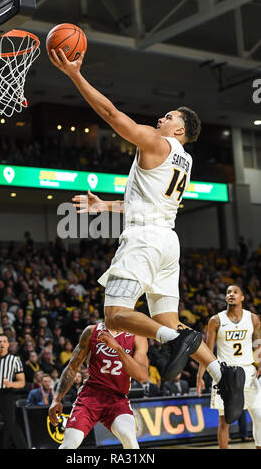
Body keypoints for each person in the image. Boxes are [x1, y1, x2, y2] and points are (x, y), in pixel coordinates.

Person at [49, 47, 245, 423]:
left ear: (179, 131)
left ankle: (175, 343)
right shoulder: (183, 160)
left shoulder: (158, 143)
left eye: (168, 116)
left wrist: (74, 75)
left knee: (115, 316)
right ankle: (224, 373)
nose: (161, 117)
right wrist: (105, 207)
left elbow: (111, 115)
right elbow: (148, 204)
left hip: (143, 241)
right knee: (169, 320)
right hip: (166, 240)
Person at [48, 322, 148, 449]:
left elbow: (142, 376)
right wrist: (57, 399)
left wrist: (118, 348)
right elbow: (72, 367)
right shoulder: (92, 331)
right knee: (69, 444)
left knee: (130, 439)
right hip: (90, 396)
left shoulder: (137, 336)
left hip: (117, 398)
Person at [196, 284, 261, 448]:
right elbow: (207, 350)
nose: (231, 294)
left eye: (235, 292)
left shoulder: (252, 318)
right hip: (224, 373)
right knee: (224, 421)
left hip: (248, 371)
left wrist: (259, 362)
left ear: (242, 297)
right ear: (225, 298)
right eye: (228, 292)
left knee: (259, 416)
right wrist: (200, 376)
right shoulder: (216, 320)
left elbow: (257, 342)